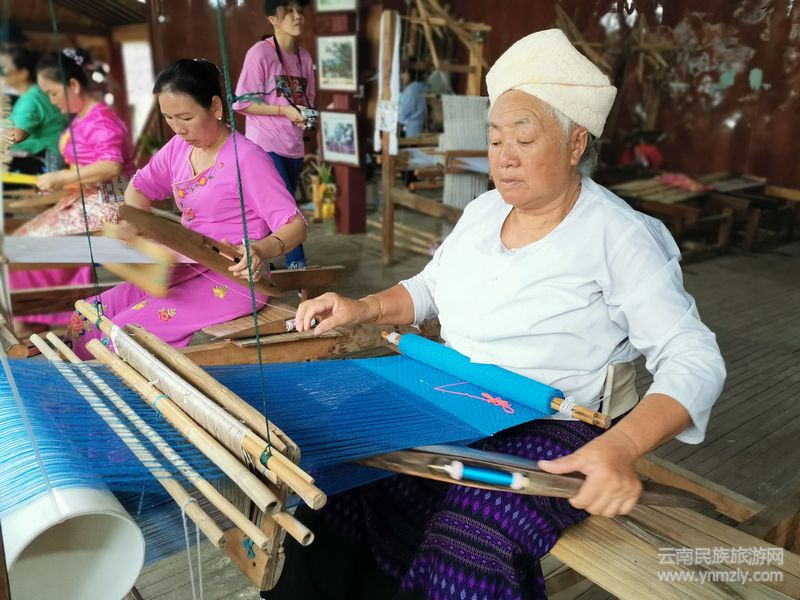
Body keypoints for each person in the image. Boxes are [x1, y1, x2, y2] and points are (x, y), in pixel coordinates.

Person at [284, 30, 726, 600]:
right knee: (338, 467)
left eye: (524, 137)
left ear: (575, 144)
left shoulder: (619, 236)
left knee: (472, 538)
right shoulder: (483, 210)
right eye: (495, 139)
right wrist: (362, 307)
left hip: (549, 424)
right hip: (451, 396)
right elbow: (429, 287)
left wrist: (620, 448)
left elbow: (693, 357)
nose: (504, 156)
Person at [68, 59, 306, 360]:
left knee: (121, 334)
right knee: (86, 317)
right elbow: (139, 187)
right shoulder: (179, 148)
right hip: (181, 265)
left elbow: (295, 224)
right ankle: (80, 385)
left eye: (185, 117)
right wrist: (135, 223)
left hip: (233, 280)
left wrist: (259, 250)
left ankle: (114, 390)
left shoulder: (247, 159)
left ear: (215, 107)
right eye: (168, 118)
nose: (178, 128)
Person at [9, 49, 134, 338]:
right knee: (23, 239)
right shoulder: (81, 117)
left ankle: (43, 312)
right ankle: (36, 313)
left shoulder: (101, 119)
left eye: (53, 93)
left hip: (109, 203)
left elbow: (111, 165)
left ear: (73, 85)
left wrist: (63, 177)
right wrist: (62, 182)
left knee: (30, 244)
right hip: (84, 198)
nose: (51, 100)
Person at [234, 0, 315, 269]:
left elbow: (307, 100)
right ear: (272, 18)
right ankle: (297, 265)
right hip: (264, 144)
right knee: (286, 208)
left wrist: (304, 118)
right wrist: (284, 111)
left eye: (300, 10)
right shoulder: (260, 53)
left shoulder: (305, 57)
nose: (297, 16)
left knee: (271, 211)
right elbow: (242, 103)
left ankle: (258, 258)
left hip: (293, 146)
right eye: (288, 11)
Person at [1, 46, 66, 175]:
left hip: (49, 160)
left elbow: (18, 134)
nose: (2, 73)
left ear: (23, 73)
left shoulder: (31, 99)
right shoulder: (33, 93)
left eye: (4, 69)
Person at [398, 68, 428, 138]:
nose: (401, 76)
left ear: (410, 74)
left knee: (412, 143)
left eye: (404, 73)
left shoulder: (411, 90)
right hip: (419, 124)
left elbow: (403, 111)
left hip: (413, 128)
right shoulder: (420, 86)